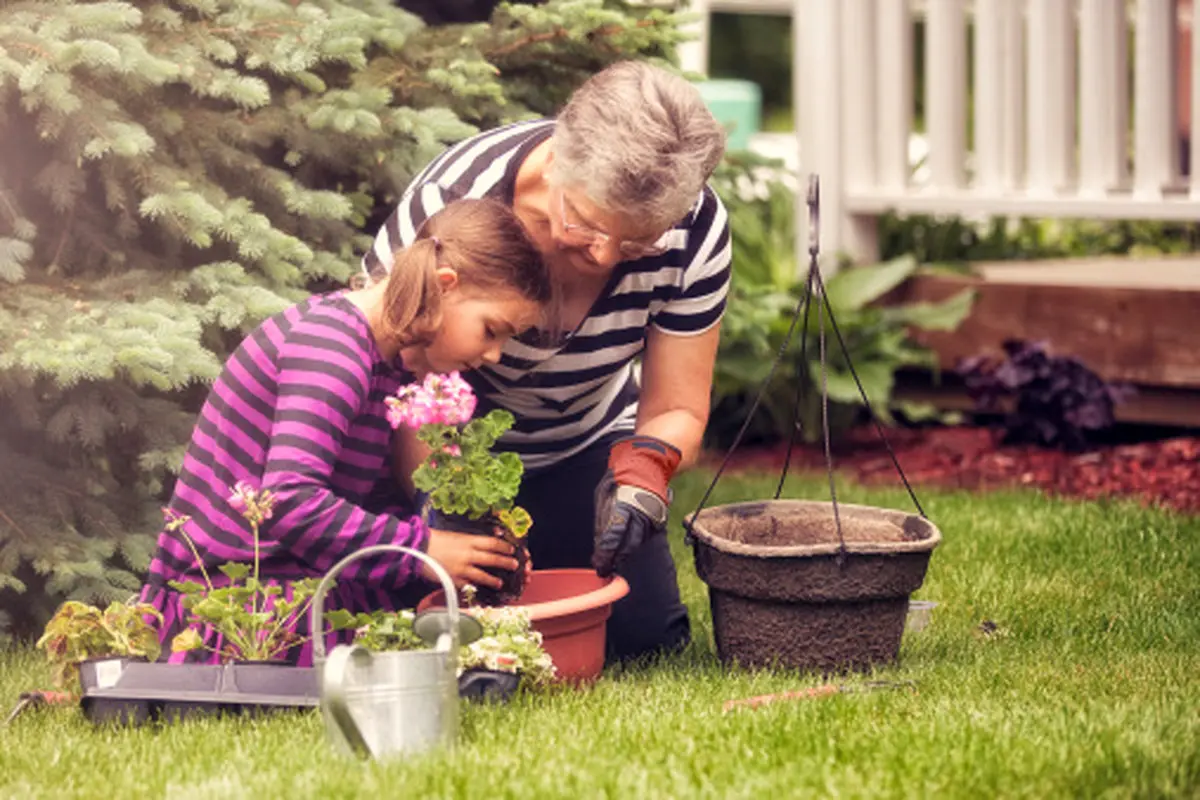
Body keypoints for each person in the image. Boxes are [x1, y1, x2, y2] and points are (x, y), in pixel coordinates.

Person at [365, 60, 730, 661]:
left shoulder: (694, 229)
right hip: (447, 455)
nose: (605, 256)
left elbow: (678, 407)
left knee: (645, 643)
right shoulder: (451, 199)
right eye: (585, 224)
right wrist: (444, 509)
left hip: (586, 446)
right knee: (440, 638)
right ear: (558, 158)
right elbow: (399, 379)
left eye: (637, 242)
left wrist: (644, 475)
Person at [140, 198, 551, 665]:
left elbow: (365, 505)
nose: (495, 355)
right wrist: (425, 549)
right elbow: (289, 501)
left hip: (303, 579)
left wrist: (476, 549)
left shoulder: (394, 360)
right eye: (492, 330)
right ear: (445, 286)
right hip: (232, 606)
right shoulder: (332, 345)